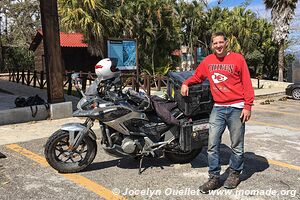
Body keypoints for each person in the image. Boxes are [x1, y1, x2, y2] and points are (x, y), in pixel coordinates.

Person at [181, 32, 254, 193]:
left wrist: (248, 105)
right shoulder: (208, 61)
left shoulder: (238, 59)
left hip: (237, 107)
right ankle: (214, 177)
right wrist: (186, 83)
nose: (218, 45)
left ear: (226, 43)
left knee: (237, 145)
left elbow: (247, 83)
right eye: (215, 43)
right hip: (218, 107)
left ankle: (234, 173)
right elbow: (198, 76)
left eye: (221, 42)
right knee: (212, 144)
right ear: (212, 45)